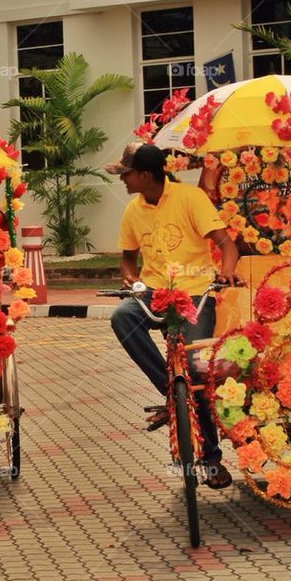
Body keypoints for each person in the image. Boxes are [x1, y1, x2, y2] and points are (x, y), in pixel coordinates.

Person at [106, 143, 241, 489]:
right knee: (122, 316)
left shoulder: (190, 199)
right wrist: (129, 277)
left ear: (145, 175)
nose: (123, 181)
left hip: (196, 292)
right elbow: (127, 258)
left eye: (127, 174)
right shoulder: (132, 211)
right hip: (154, 290)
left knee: (195, 370)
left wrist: (225, 272)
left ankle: (211, 458)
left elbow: (227, 244)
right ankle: (170, 393)